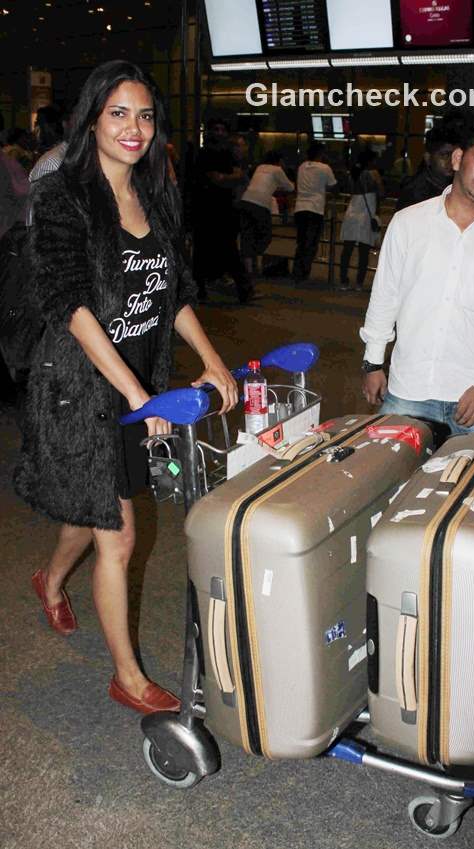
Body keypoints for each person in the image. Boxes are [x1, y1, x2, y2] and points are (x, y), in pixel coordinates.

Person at [14, 60, 238, 715]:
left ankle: (51, 577)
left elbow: (176, 293)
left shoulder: (157, 191)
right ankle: (127, 677)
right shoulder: (63, 194)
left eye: (144, 115)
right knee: (118, 531)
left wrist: (213, 361)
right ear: (91, 119)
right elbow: (71, 304)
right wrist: (136, 394)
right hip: (81, 386)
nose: (134, 128)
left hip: (139, 376)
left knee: (98, 510)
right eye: (118, 113)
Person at [360, 124, 474, 435]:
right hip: (409, 387)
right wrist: (373, 363)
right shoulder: (408, 223)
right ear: (457, 159)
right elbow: (386, 295)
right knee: (384, 471)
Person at [191, 119, 254, 304]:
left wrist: (227, 177)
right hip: (207, 210)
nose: (219, 133)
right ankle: (238, 288)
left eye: (222, 129)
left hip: (221, 210)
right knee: (213, 251)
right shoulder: (205, 154)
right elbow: (222, 177)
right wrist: (231, 177)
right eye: (215, 129)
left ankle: (237, 288)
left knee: (223, 250)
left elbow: (228, 177)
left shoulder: (223, 154)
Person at [239, 150, 294, 279]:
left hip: (246, 201)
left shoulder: (260, 167)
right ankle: (251, 257)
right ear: (279, 161)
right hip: (260, 204)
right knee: (266, 235)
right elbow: (290, 187)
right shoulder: (277, 170)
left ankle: (247, 269)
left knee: (247, 235)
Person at [292, 142, 337, 284]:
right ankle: (303, 273)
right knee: (311, 243)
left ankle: (297, 271)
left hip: (300, 208)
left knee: (301, 242)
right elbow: (334, 186)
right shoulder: (325, 168)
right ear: (321, 154)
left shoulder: (301, 167)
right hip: (315, 209)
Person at [339, 150, 381, 291]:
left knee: (347, 250)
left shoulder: (353, 174)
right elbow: (382, 192)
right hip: (365, 215)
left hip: (352, 212)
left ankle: (343, 280)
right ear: (369, 161)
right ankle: (359, 283)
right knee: (364, 252)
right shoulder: (373, 174)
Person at [395, 126, 459, 212]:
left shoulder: (456, 185)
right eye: (444, 155)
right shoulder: (414, 194)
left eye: (455, 155)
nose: (451, 161)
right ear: (428, 158)